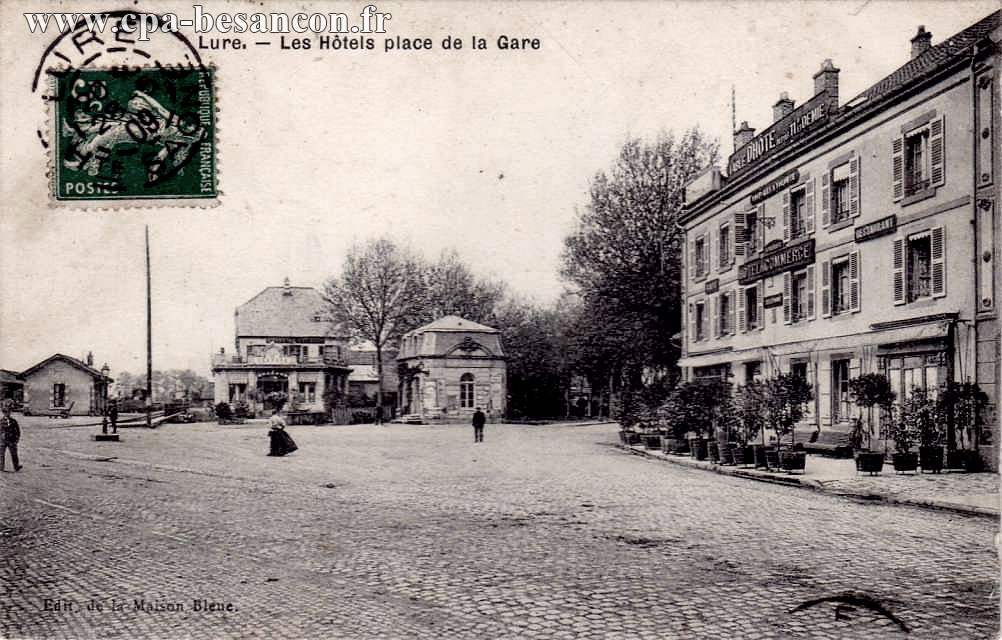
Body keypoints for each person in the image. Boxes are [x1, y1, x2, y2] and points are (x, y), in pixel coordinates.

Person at [1, 403, 22, 472]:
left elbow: (17, 431)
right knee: (1, 454)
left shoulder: (13, 421)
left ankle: (16, 466)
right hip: (3, 440)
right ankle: (1, 467)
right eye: (5, 412)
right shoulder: (1, 422)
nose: (7, 414)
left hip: (12, 440)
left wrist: (17, 439)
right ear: (3, 413)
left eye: (8, 412)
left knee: (14, 454)